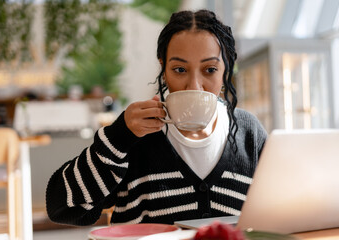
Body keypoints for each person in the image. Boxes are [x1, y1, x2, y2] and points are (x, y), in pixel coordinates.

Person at [46, 9, 267, 226]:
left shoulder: (249, 133)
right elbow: (62, 208)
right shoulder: (135, 136)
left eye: (209, 69)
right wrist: (119, 136)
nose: (195, 86)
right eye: (180, 69)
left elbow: (281, 212)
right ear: (164, 69)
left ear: (226, 69)